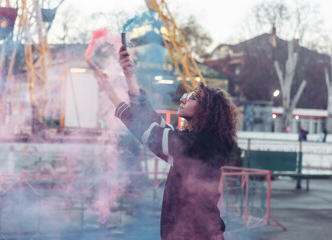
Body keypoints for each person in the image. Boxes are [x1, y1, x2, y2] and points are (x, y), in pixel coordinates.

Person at [93, 45, 238, 240]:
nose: (184, 98)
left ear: (206, 110)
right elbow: (154, 123)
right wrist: (129, 75)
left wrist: (111, 93)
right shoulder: (199, 142)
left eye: (193, 98)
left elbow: (150, 132)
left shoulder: (200, 146)